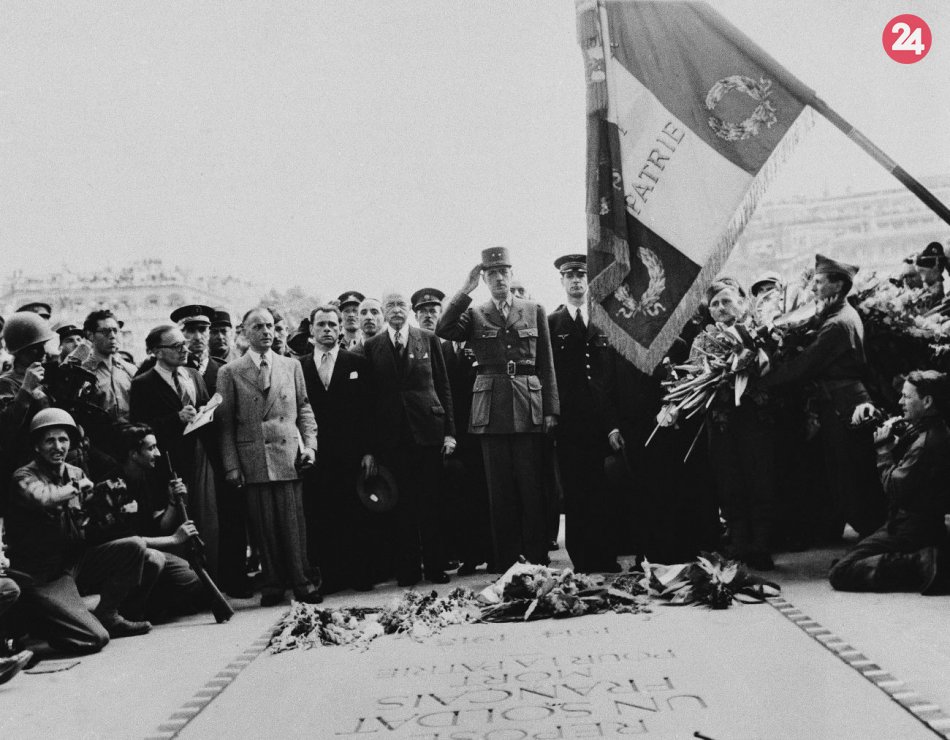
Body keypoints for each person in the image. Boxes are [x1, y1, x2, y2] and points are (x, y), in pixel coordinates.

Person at [437, 247, 560, 571]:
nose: (499, 278)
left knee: (531, 488)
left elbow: (546, 362)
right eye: (491, 274)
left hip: (528, 405)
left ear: (511, 274)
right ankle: (507, 563)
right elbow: (443, 329)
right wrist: (465, 289)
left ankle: (537, 559)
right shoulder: (476, 313)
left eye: (504, 272)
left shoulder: (534, 309)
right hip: (490, 410)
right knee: (500, 491)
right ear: (484, 279)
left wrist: (551, 409)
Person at [761, 254, 887, 540]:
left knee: (850, 474)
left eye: (819, 282)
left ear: (838, 285)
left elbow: (804, 365)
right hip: (844, 399)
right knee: (846, 471)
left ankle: (873, 536)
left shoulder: (837, 324)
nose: (814, 287)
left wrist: (761, 382)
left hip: (843, 403)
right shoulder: (839, 315)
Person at [6, 409, 150, 651]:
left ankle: (107, 614)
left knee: (135, 547)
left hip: (75, 560)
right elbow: (44, 498)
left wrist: (110, 507)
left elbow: (87, 522)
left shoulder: (75, 473)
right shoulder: (24, 476)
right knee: (96, 638)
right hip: (43, 574)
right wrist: (75, 488)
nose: (58, 447)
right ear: (37, 446)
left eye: (63, 439)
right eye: (50, 440)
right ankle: (43, 621)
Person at [217, 307, 322, 606]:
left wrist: (310, 447)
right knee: (263, 527)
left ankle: (302, 583)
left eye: (270, 326)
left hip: (288, 455)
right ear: (244, 332)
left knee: (294, 524)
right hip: (253, 457)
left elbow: (304, 409)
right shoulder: (230, 372)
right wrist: (231, 466)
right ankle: (273, 584)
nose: (266, 332)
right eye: (258, 327)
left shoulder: (291, 366)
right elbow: (225, 425)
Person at [363, 293, 455, 586]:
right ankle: (408, 569)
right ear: (383, 312)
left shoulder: (427, 339)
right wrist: (371, 448)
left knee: (431, 501)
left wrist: (450, 432)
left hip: (428, 432)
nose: (396, 310)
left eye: (400, 305)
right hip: (392, 438)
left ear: (409, 310)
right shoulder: (372, 346)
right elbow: (369, 399)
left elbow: (443, 385)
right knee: (401, 506)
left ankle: (436, 566)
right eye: (390, 306)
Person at [829, 371, 950, 592]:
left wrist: (884, 452)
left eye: (907, 397)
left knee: (841, 571)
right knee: (851, 561)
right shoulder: (935, 429)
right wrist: (872, 412)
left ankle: (922, 562)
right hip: (924, 525)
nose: (900, 402)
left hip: (910, 530)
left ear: (927, 401)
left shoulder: (925, 444)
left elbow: (894, 489)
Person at [691, 279, 777, 570]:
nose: (720, 308)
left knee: (759, 480)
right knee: (729, 483)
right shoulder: (702, 340)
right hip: (721, 422)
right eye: (714, 304)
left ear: (741, 302)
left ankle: (761, 546)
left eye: (726, 301)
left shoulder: (757, 331)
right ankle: (739, 545)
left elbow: (771, 368)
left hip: (754, 418)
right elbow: (694, 376)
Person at [87, 423, 208, 620]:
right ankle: (129, 611)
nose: (157, 453)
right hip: (117, 558)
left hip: (142, 550)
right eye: (151, 448)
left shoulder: (145, 478)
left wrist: (173, 502)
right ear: (134, 454)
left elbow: (157, 527)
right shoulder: (111, 486)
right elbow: (129, 540)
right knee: (154, 560)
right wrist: (174, 539)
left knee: (191, 580)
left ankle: (147, 606)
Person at [547, 254, 620, 573]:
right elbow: (547, 373)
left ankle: (606, 555)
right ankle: (582, 558)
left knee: (603, 489)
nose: (576, 280)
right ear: (562, 281)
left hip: (602, 419)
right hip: (570, 421)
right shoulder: (552, 323)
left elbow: (612, 373)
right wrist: (552, 413)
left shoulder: (606, 319)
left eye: (581, 275)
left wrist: (614, 422)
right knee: (575, 490)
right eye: (570, 276)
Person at [129, 324, 219, 577]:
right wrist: (175, 419)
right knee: (178, 519)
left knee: (207, 517)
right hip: (169, 463)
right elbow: (140, 428)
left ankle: (211, 574)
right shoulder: (143, 384)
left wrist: (205, 412)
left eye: (184, 344)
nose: (184, 350)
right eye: (176, 346)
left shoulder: (193, 375)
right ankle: (184, 578)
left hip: (200, 457)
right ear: (157, 351)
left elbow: (204, 407)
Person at [299, 305, 375, 592]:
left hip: (351, 453)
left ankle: (360, 573)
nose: (328, 329)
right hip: (316, 454)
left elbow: (369, 411)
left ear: (341, 328)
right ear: (311, 329)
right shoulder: (298, 367)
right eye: (321, 324)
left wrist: (369, 451)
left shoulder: (357, 363)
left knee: (354, 512)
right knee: (321, 514)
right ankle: (330, 577)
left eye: (333, 324)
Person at [80, 309, 136, 422]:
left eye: (115, 330)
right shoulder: (83, 372)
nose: (112, 336)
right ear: (90, 335)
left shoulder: (130, 369)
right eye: (105, 331)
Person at [170, 304, 225, 396]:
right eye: (191, 330)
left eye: (202, 329)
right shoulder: (172, 369)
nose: (198, 337)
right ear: (180, 334)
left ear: (209, 332)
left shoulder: (223, 369)